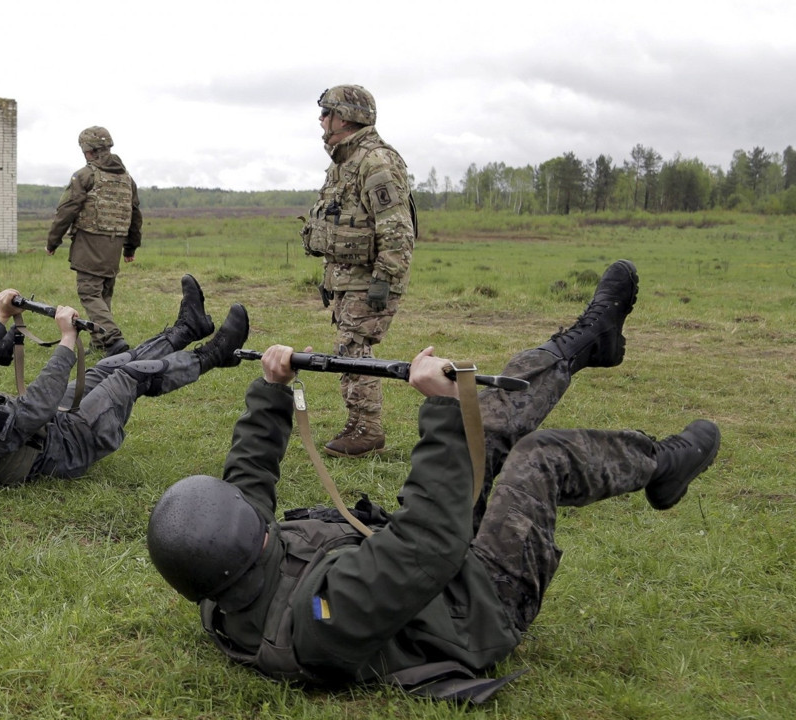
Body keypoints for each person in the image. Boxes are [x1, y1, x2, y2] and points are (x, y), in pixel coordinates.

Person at [147, 261, 722, 701]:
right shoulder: (325, 614)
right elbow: (430, 540)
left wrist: (272, 389)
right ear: (251, 541)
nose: (251, 508)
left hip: (420, 571)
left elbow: (248, 476)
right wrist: (442, 408)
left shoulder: (226, 579)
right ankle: (664, 465)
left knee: (489, 416)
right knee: (536, 458)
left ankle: (589, 339)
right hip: (482, 598)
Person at [0, 276, 246, 486]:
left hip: (55, 423)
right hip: (71, 444)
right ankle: (212, 355)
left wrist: (1, 315)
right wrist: (68, 340)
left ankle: (186, 329)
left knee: (110, 365)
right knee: (129, 375)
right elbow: (34, 410)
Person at [301, 85, 418, 458]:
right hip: (348, 278)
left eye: (326, 113)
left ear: (346, 117)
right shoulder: (343, 162)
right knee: (348, 348)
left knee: (354, 349)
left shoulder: (376, 162)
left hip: (370, 279)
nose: (321, 120)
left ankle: (367, 429)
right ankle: (358, 423)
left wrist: (384, 278)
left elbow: (396, 227)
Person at [45, 126, 142, 356]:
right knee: (103, 294)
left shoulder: (85, 175)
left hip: (90, 244)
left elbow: (67, 209)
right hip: (115, 245)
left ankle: (112, 337)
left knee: (89, 292)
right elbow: (135, 214)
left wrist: (53, 241)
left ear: (88, 151)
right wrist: (130, 246)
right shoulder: (127, 178)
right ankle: (100, 344)